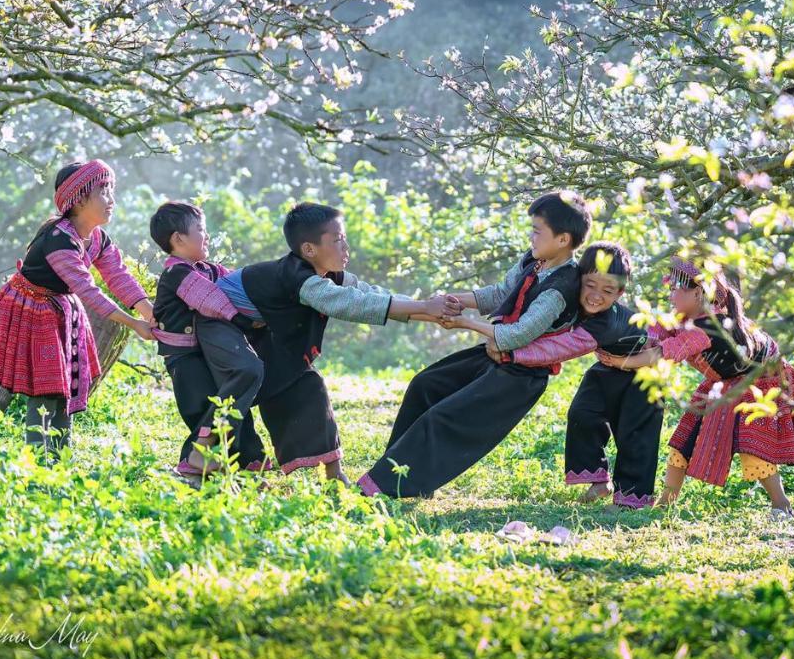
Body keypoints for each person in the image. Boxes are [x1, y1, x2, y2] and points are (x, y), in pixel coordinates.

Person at [357, 192, 591, 498]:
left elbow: (517, 335)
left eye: (537, 231)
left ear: (563, 240)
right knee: (425, 385)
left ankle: (386, 488)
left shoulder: (561, 288)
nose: (531, 237)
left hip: (520, 377)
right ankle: (398, 475)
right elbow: (500, 294)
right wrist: (455, 301)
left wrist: (465, 323)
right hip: (496, 357)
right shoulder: (534, 262)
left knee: (442, 419)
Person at [212, 201, 460, 483]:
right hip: (221, 334)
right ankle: (228, 470)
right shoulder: (299, 278)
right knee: (237, 400)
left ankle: (333, 475)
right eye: (338, 240)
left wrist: (432, 311)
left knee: (309, 385)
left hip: (260, 336)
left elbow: (370, 294)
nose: (346, 248)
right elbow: (350, 304)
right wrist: (426, 307)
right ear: (309, 250)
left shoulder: (328, 274)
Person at [0, 160, 155, 458]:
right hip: (25, 308)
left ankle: (55, 459)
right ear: (79, 199)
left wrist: (149, 312)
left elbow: (118, 276)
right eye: (103, 192)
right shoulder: (59, 241)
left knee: (59, 386)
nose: (111, 200)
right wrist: (134, 323)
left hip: (57, 310)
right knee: (12, 386)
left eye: (112, 191)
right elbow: (88, 290)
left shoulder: (97, 239)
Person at [626, 257, 794, 518]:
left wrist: (624, 361)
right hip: (722, 384)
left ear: (698, 293)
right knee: (684, 440)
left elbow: (664, 353)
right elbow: (656, 333)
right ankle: (665, 504)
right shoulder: (688, 319)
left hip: (761, 384)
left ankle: (782, 507)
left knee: (753, 448)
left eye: (674, 289)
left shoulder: (707, 327)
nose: (670, 295)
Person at [503, 242, 665, 509]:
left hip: (645, 376)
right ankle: (599, 482)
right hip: (608, 367)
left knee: (635, 434)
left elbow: (561, 348)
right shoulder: (573, 303)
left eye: (607, 290)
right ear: (579, 279)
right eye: (590, 285)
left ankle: (633, 499)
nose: (595, 296)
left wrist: (512, 353)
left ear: (620, 292)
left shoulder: (607, 321)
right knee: (583, 413)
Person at [149, 201, 271, 477]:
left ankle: (246, 459)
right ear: (179, 239)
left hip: (205, 352)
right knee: (202, 406)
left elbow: (235, 284)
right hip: (183, 356)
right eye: (200, 230)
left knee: (229, 399)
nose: (206, 235)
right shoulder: (176, 273)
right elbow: (209, 299)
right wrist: (241, 320)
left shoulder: (210, 269)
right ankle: (196, 458)